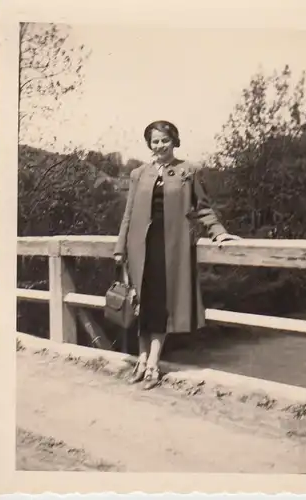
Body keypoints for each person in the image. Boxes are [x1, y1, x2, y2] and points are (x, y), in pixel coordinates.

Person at [114, 120, 241, 390]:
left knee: (160, 304)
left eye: (164, 140)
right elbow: (128, 215)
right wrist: (119, 248)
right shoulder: (138, 174)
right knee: (142, 303)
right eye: (155, 141)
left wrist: (219, 232)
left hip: (170, 247)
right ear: (149, 144)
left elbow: (203, 208)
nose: (159, 145)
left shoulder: (189, 171)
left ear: (175, 141)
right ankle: (141, 359)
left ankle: (152, 366)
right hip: (139, 248)